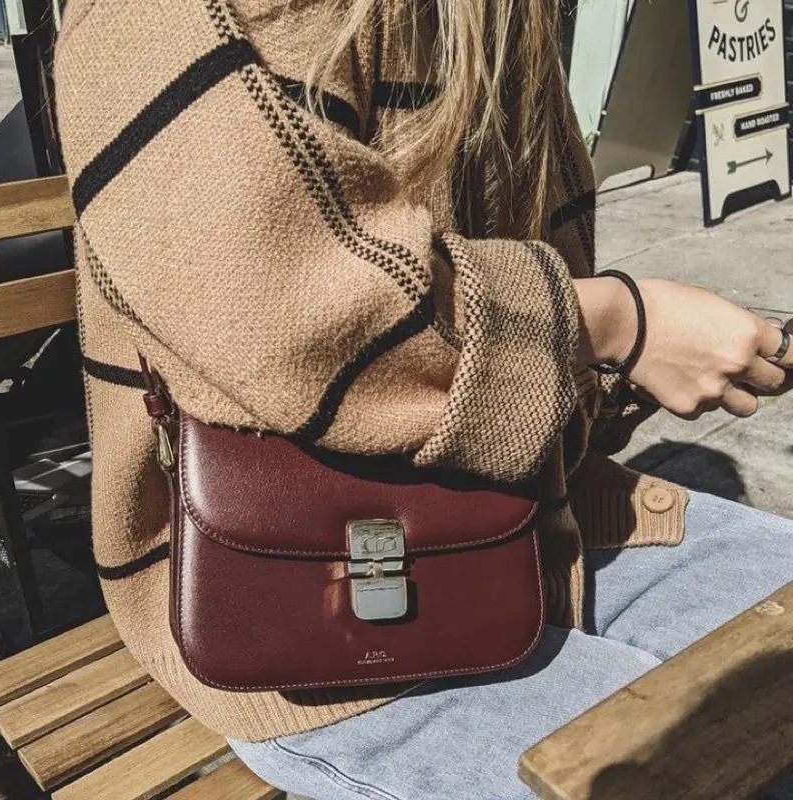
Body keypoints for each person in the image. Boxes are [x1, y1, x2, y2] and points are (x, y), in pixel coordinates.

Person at [52, 1, 793, 797]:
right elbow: (281, 313)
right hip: (299, 619)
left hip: (540, 512)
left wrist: (622, 361)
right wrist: (617, 324)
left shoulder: (493, 21)